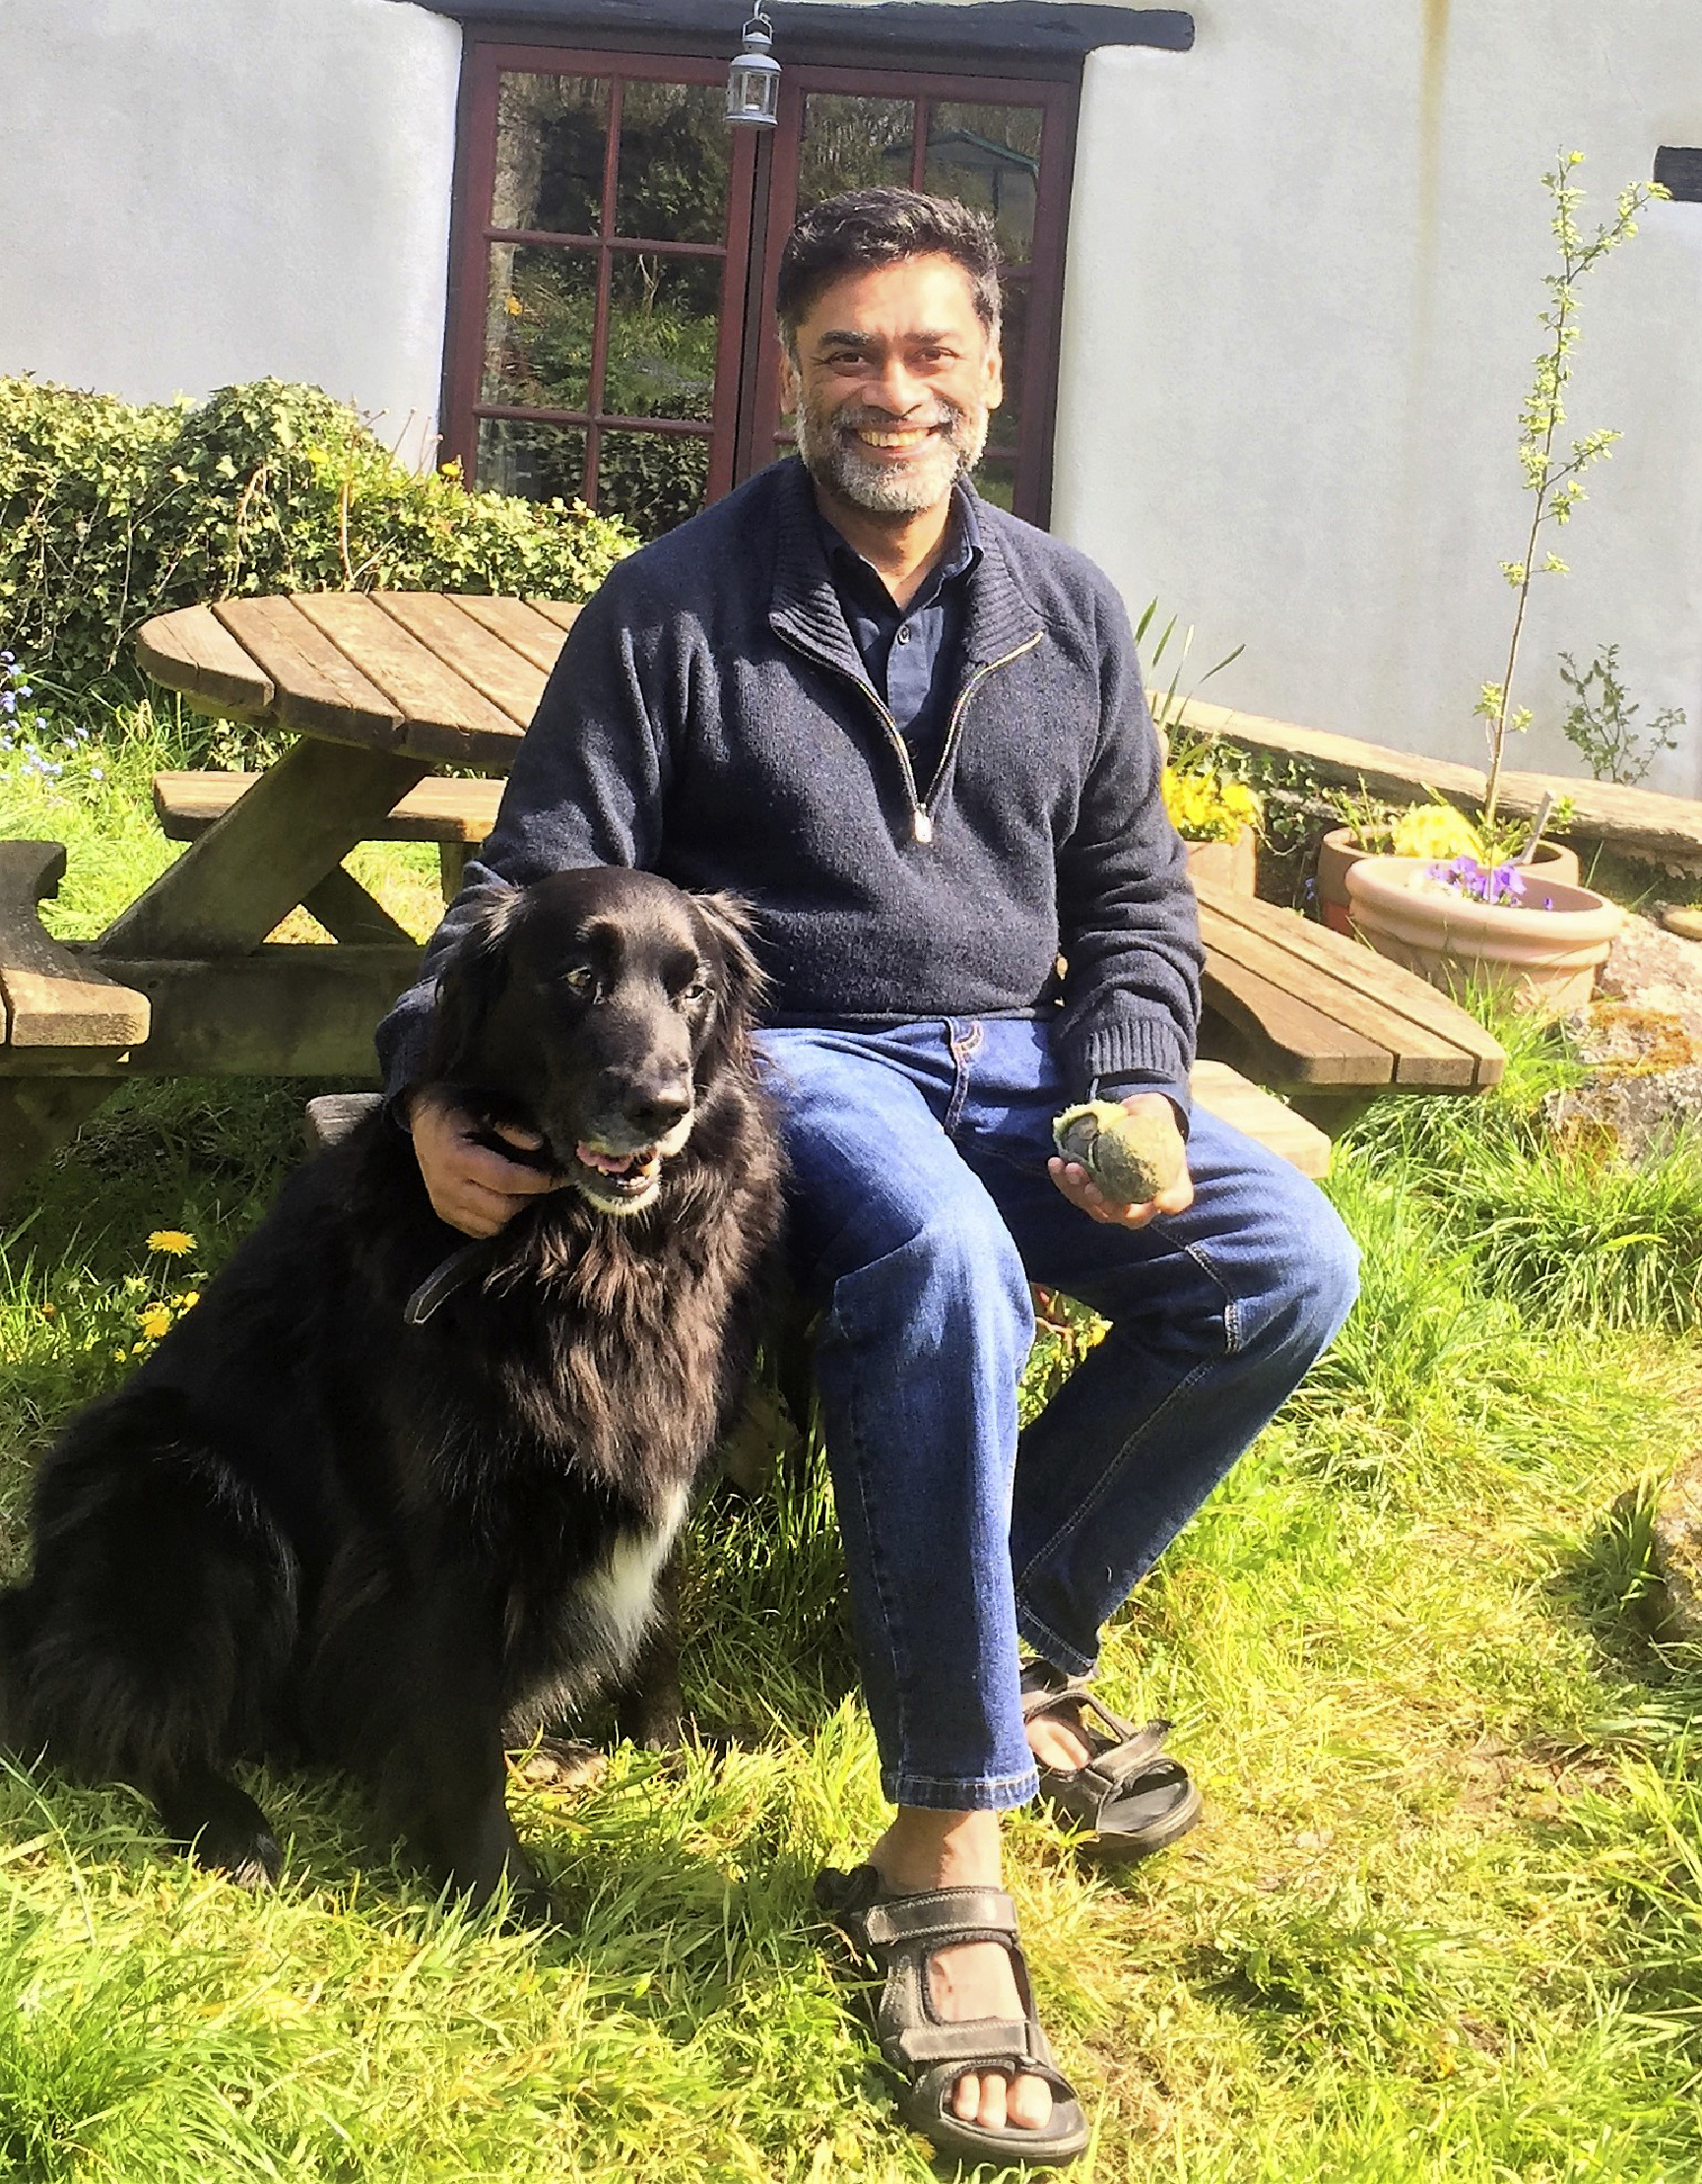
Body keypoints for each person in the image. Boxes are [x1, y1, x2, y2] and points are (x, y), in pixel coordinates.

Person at [377, 188, 1358, 2165]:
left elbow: (1137, 906)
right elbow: (528, 873)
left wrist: (1138, 1078)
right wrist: (424, 1079)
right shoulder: (673, 601)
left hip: (1029, 1062)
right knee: (935, 1261)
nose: (888, 389)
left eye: (928, 351)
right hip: (791, 1054)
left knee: (1288, 1263)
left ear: (991, 372)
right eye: (847, 351)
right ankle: (942, 1843)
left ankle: (1025, 1626)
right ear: (790, 369)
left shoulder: (1069, 612)